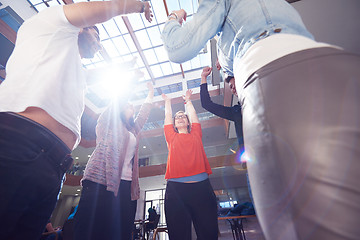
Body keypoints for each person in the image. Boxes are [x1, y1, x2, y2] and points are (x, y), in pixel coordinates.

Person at [161, 1, 360, 239]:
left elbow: (178, 48)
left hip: (272, 77)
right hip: (338, 66)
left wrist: (174, 16)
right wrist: (226, 68)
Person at [0, 1, 152, 239]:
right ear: (84, 27)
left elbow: (89, 76)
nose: (100, 46)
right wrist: (137, 5)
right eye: (98, 37)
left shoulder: (69, 65)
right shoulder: (50, 23)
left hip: (55, 163)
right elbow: (91, 10)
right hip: (20, 142)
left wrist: (125, 69)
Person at [73, 82, 154, 240]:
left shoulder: (133, 129)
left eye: (131, 106)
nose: (129, 107)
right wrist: (130, 84)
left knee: (120, 231)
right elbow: (117, 103)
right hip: (99, 181)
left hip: (126, 185)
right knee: (90, 229)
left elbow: (143, 114)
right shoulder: (108, 123)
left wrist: (150, 93)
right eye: (126, 105)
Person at [162, 90, 218, 240]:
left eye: (183, 116)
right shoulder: (171, 136)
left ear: (188, 122)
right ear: (174, 124)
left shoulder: (196, 134)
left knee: (209, 233)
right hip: (176, 191)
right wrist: (167, 102)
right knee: (179, 234)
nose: (180, 118)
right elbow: (167, 116)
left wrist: (188, 101)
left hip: (202, 189)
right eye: (177, 117)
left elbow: (193, 115)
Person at [200, 66, 255, 204]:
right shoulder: (236, 112)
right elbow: (207, 104)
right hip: (253, 165)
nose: (232, 89)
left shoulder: (259, 97)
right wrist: (203, 78)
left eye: (233, 85)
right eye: (229, 87)